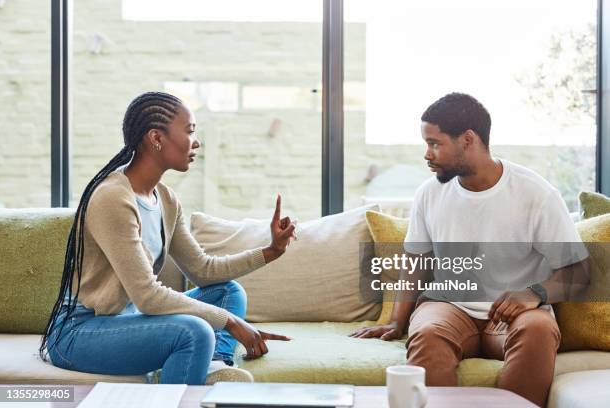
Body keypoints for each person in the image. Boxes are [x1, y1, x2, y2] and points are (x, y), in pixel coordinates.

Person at [39, 91, 296, 385]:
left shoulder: (166, 199)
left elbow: (203, 270)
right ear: (156, 138)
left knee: (228, 293)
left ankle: (212, 364)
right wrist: (232, 322)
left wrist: (271, 251)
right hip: (79, 331)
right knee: (194, 331)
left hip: (127, 318)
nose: (196, 141)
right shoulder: (113, 198)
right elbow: (147, 296)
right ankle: (196, 361)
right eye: (189, 131)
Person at [350, 92, 589, 407]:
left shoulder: (536, 194)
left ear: (467, 139)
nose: (427, 154)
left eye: (435, 144)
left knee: (539, 329)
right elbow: (416, 261)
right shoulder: (429, 194)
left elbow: (579, 272)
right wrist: (397, 321)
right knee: (427, 332)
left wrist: (534, 293)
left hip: (512, 316)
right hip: (449, 307)